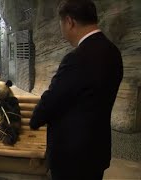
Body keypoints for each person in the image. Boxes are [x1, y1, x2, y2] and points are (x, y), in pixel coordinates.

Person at [29, 0, 123, 179]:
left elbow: (52, 99)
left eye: (61, 24)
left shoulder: (77, 58)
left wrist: (35, 120)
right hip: (97, 150)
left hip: (72, 156)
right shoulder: (113, 52)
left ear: (69, 22)